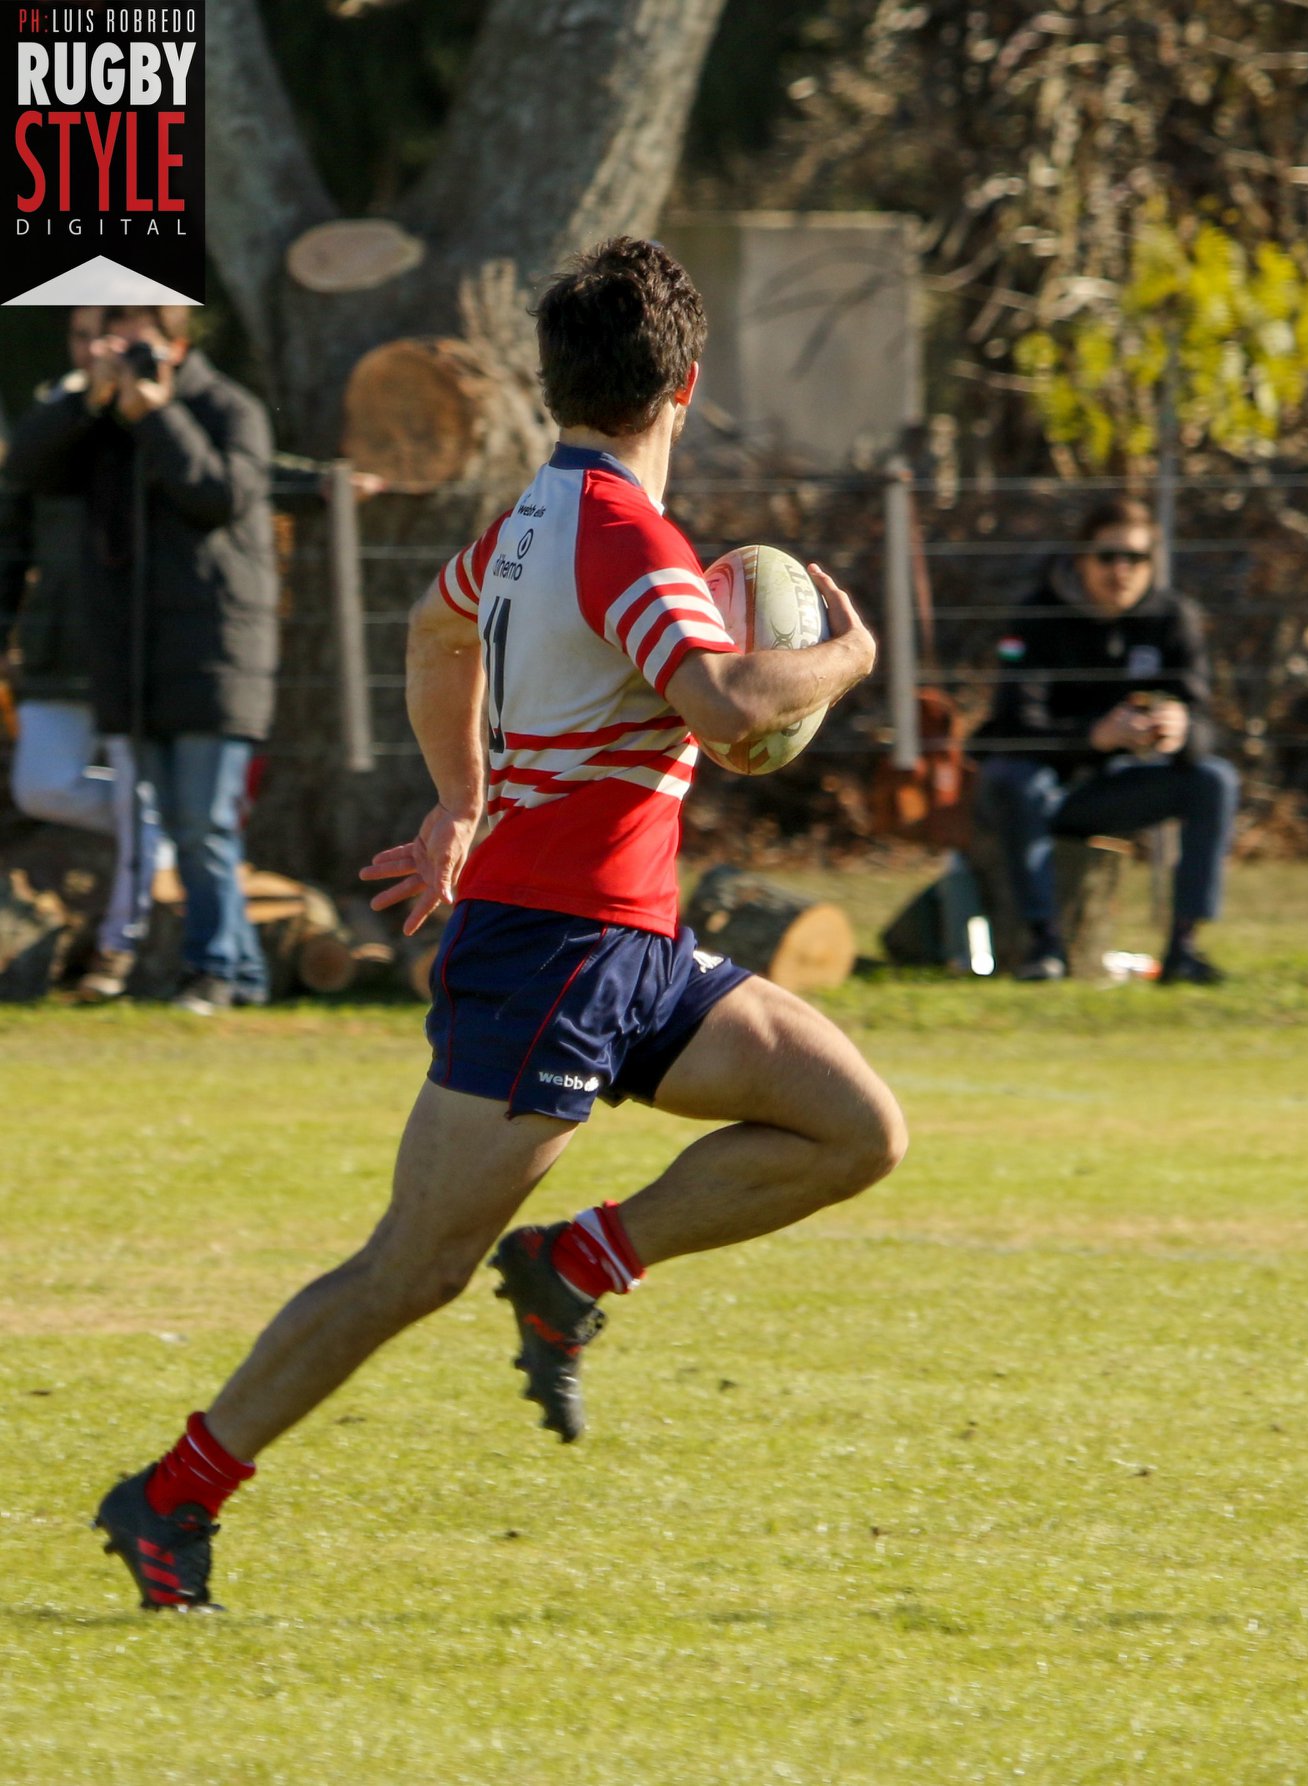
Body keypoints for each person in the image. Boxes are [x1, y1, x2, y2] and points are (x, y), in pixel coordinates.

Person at [90, 236, 907, 1612]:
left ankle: (575, 1262)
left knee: (854, 1125)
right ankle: (172, 1492)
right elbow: (717, 702)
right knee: (408, 1266)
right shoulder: (619, 535)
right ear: (686, 386)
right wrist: (844, 655)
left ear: (552, 384)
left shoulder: (532, 518)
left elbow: (430, 630)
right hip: (545, 952)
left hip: (630, 945)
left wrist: (459, 801)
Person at [6, 305, 278, 1013]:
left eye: (129, 340)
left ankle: (212, 971)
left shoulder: (227, 407)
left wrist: (158, 413)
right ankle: (239, 972)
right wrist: (85, 403)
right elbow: (30, 466)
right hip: (132, 653)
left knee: (201, 823)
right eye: (102, 341)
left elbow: (217, 495)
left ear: (176, 341)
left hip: (216, 652)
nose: (113, 353)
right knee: (172, 822)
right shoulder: (99, 421)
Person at [973, 496, 1239, 984]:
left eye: (1135, 558)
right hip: (1039, 789)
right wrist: (1092, 737)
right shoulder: (1038, 616)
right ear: (1081, 559)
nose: (1121, 570)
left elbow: (1205, 720)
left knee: (1214, 779)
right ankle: (1043, 944)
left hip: (1112, 792)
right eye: (1108, 556)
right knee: (1013, 777)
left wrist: (1182, 730)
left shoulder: (1171, 618)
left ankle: (1183, 947)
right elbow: (1010, 727)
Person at [0, 307, 165, 1002]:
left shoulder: (170, 411)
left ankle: (117, 951)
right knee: (40, 783)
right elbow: (16, 502)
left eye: (116, 335)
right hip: (55, 642)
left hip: (140, 643)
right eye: (84, 337)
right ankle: (170, 824)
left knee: (139, 794)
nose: (99, 349)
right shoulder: (54, 417)